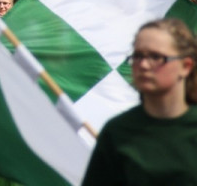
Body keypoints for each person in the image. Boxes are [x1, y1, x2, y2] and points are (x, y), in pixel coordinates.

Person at [81, 18, 197, 186]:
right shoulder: (116, 131)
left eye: (156, 57)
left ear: (186, 66)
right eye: (138, 56)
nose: (143, 65)